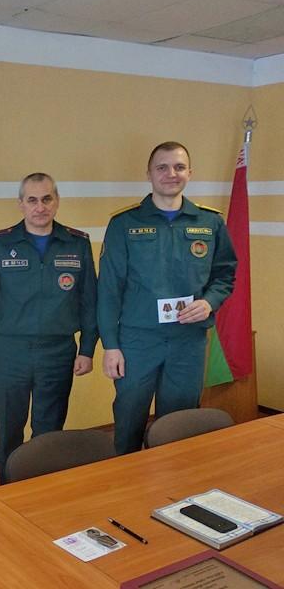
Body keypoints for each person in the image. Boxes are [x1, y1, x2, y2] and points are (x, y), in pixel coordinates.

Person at [98, 141, 237, 454]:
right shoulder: (125, 223)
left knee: (178, 426)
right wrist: (111, 345)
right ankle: (126, 478)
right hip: (137, 341)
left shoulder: (210, 222)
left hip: (187, 341)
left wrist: (209, 302)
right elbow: (108, 289)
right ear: (148, 174)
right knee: (129, 420)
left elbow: (225, 274)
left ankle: (173, 480)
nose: (171, 174)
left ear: (190, 173)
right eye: (162, 167)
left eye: (179, 167)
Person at [0, 172, 98, 484]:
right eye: (32, 200)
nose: (40, 207)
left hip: (58, 351)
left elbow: (90, 303)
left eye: (46, 199)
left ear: (57, 202)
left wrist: (87, 349)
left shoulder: (77, 244)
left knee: (48, 434)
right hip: (10, 352)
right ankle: (7, 493)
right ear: (21, 204)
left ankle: (42, 494)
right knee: (9, 431)